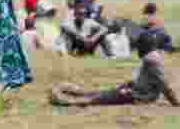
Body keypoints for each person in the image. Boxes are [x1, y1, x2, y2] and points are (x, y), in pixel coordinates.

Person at [50, 29, 179, 107]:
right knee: (102, 94)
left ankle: (65, 102)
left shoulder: (152, 59)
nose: (138, 47)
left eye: (140, 45)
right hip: (135, 91)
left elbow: (164, 85)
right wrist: (130, 84)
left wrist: (176, 103)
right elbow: (148, 80)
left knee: (98, 100)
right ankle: (72, 91)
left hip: (138, 96)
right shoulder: (152, 57)